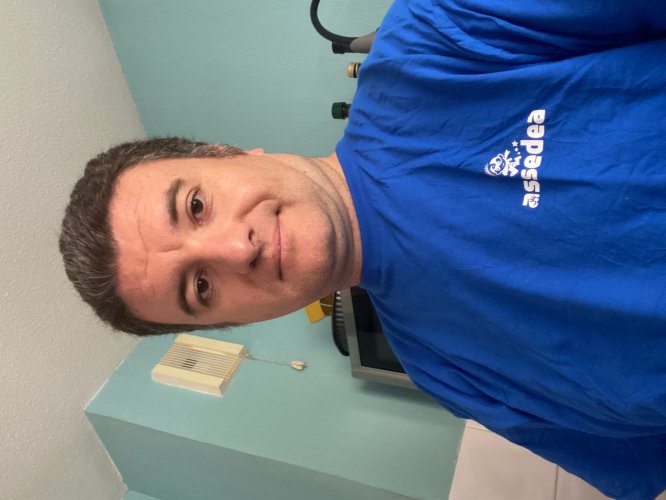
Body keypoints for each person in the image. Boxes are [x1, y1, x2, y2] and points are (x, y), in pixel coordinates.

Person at [60, 0, 666, 498]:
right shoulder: (443, 371)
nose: (235, 249)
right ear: (235, 321)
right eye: (200, 287)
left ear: (228, 153)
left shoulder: (440, 33)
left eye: (195, 205)